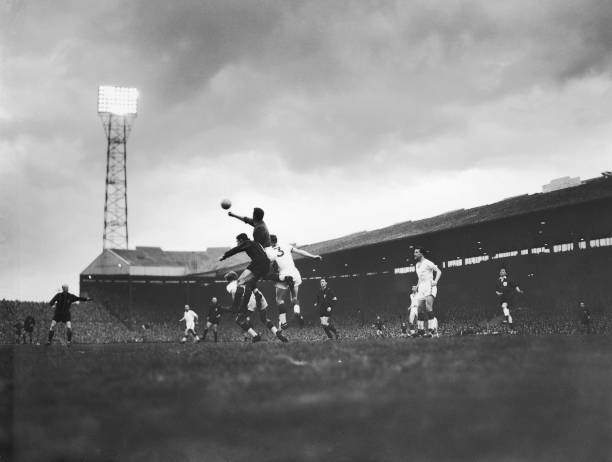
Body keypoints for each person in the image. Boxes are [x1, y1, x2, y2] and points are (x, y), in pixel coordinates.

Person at [269, 234, 322, 330]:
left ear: (269, 242)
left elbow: (270, 265)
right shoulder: (286, 245)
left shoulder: (269, 251)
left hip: (283, 276)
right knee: (294, 298)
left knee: (279, 299)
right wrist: (313, 256)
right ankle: (297, 312)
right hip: (294, 273)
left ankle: (283, 322)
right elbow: (299, 251)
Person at [224, 271, 288, 343]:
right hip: (258, 295)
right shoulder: (243, 279)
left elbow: (237, 300)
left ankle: (255, 336)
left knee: (239, 320)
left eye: (227, 281)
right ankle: (277, 333)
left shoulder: (231, 286)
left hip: (250, 300)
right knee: (264, 319)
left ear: (229, 280)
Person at [219, 233, 271, 318]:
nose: (237, 243)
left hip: (257, 264)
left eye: (237, 241)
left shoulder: (247, 243)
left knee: (240, 282)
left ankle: (237, 307)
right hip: (264, 265)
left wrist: (225, 256)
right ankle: (256, 293)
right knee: (250, 282)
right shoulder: (256, 243)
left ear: (241, 240)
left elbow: (236, 249)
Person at [414, 247, 442, 337]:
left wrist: (436, 281)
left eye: (416, 252)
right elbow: (420, 277)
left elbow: (438, 271)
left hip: (429, 285)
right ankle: (420, 331)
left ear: (421, 254)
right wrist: (417, 286)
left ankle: (432, 331)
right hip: (421, 287)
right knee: (419, 309)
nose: (414, 254)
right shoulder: (417, 265)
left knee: (428, 307)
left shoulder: (428, 262)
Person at [495, 267, 523, 333]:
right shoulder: (498, 280)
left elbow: (515, 285)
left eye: (503, 271)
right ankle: (511, 325)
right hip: (502, 297)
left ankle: (507, 319)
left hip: (509, 297)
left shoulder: (509, 279)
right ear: (499, 273)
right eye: (501, 271)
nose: (502, 272)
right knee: (506, 311)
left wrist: (519, 290)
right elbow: (496, 290)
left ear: (505, 273)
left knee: (504, 306)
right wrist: (498, 293)